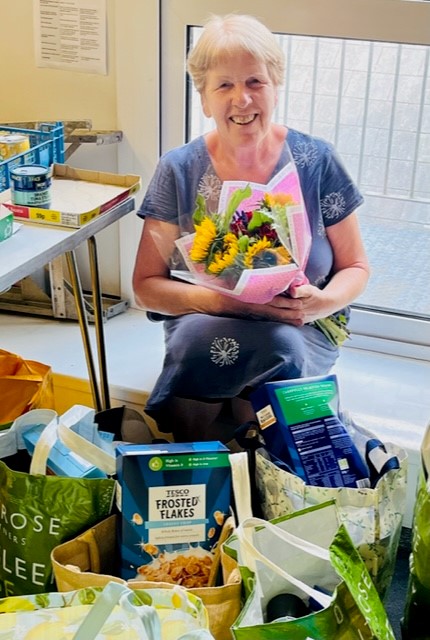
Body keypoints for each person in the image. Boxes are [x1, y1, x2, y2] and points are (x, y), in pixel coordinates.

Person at [132, 13, 370, 443]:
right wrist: (231, 304)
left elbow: (356, 266)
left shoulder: (316, 160)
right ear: (203, 98)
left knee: (285, 349)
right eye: (224, 85)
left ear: (275, 87)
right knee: (198, 343)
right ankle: (195, 467)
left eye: (255, 82)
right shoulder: (179, 169)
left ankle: (268, 468)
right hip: (207, 317)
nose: (242, 99)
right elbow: (147, 287)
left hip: (301, 325)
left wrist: (322, 302)